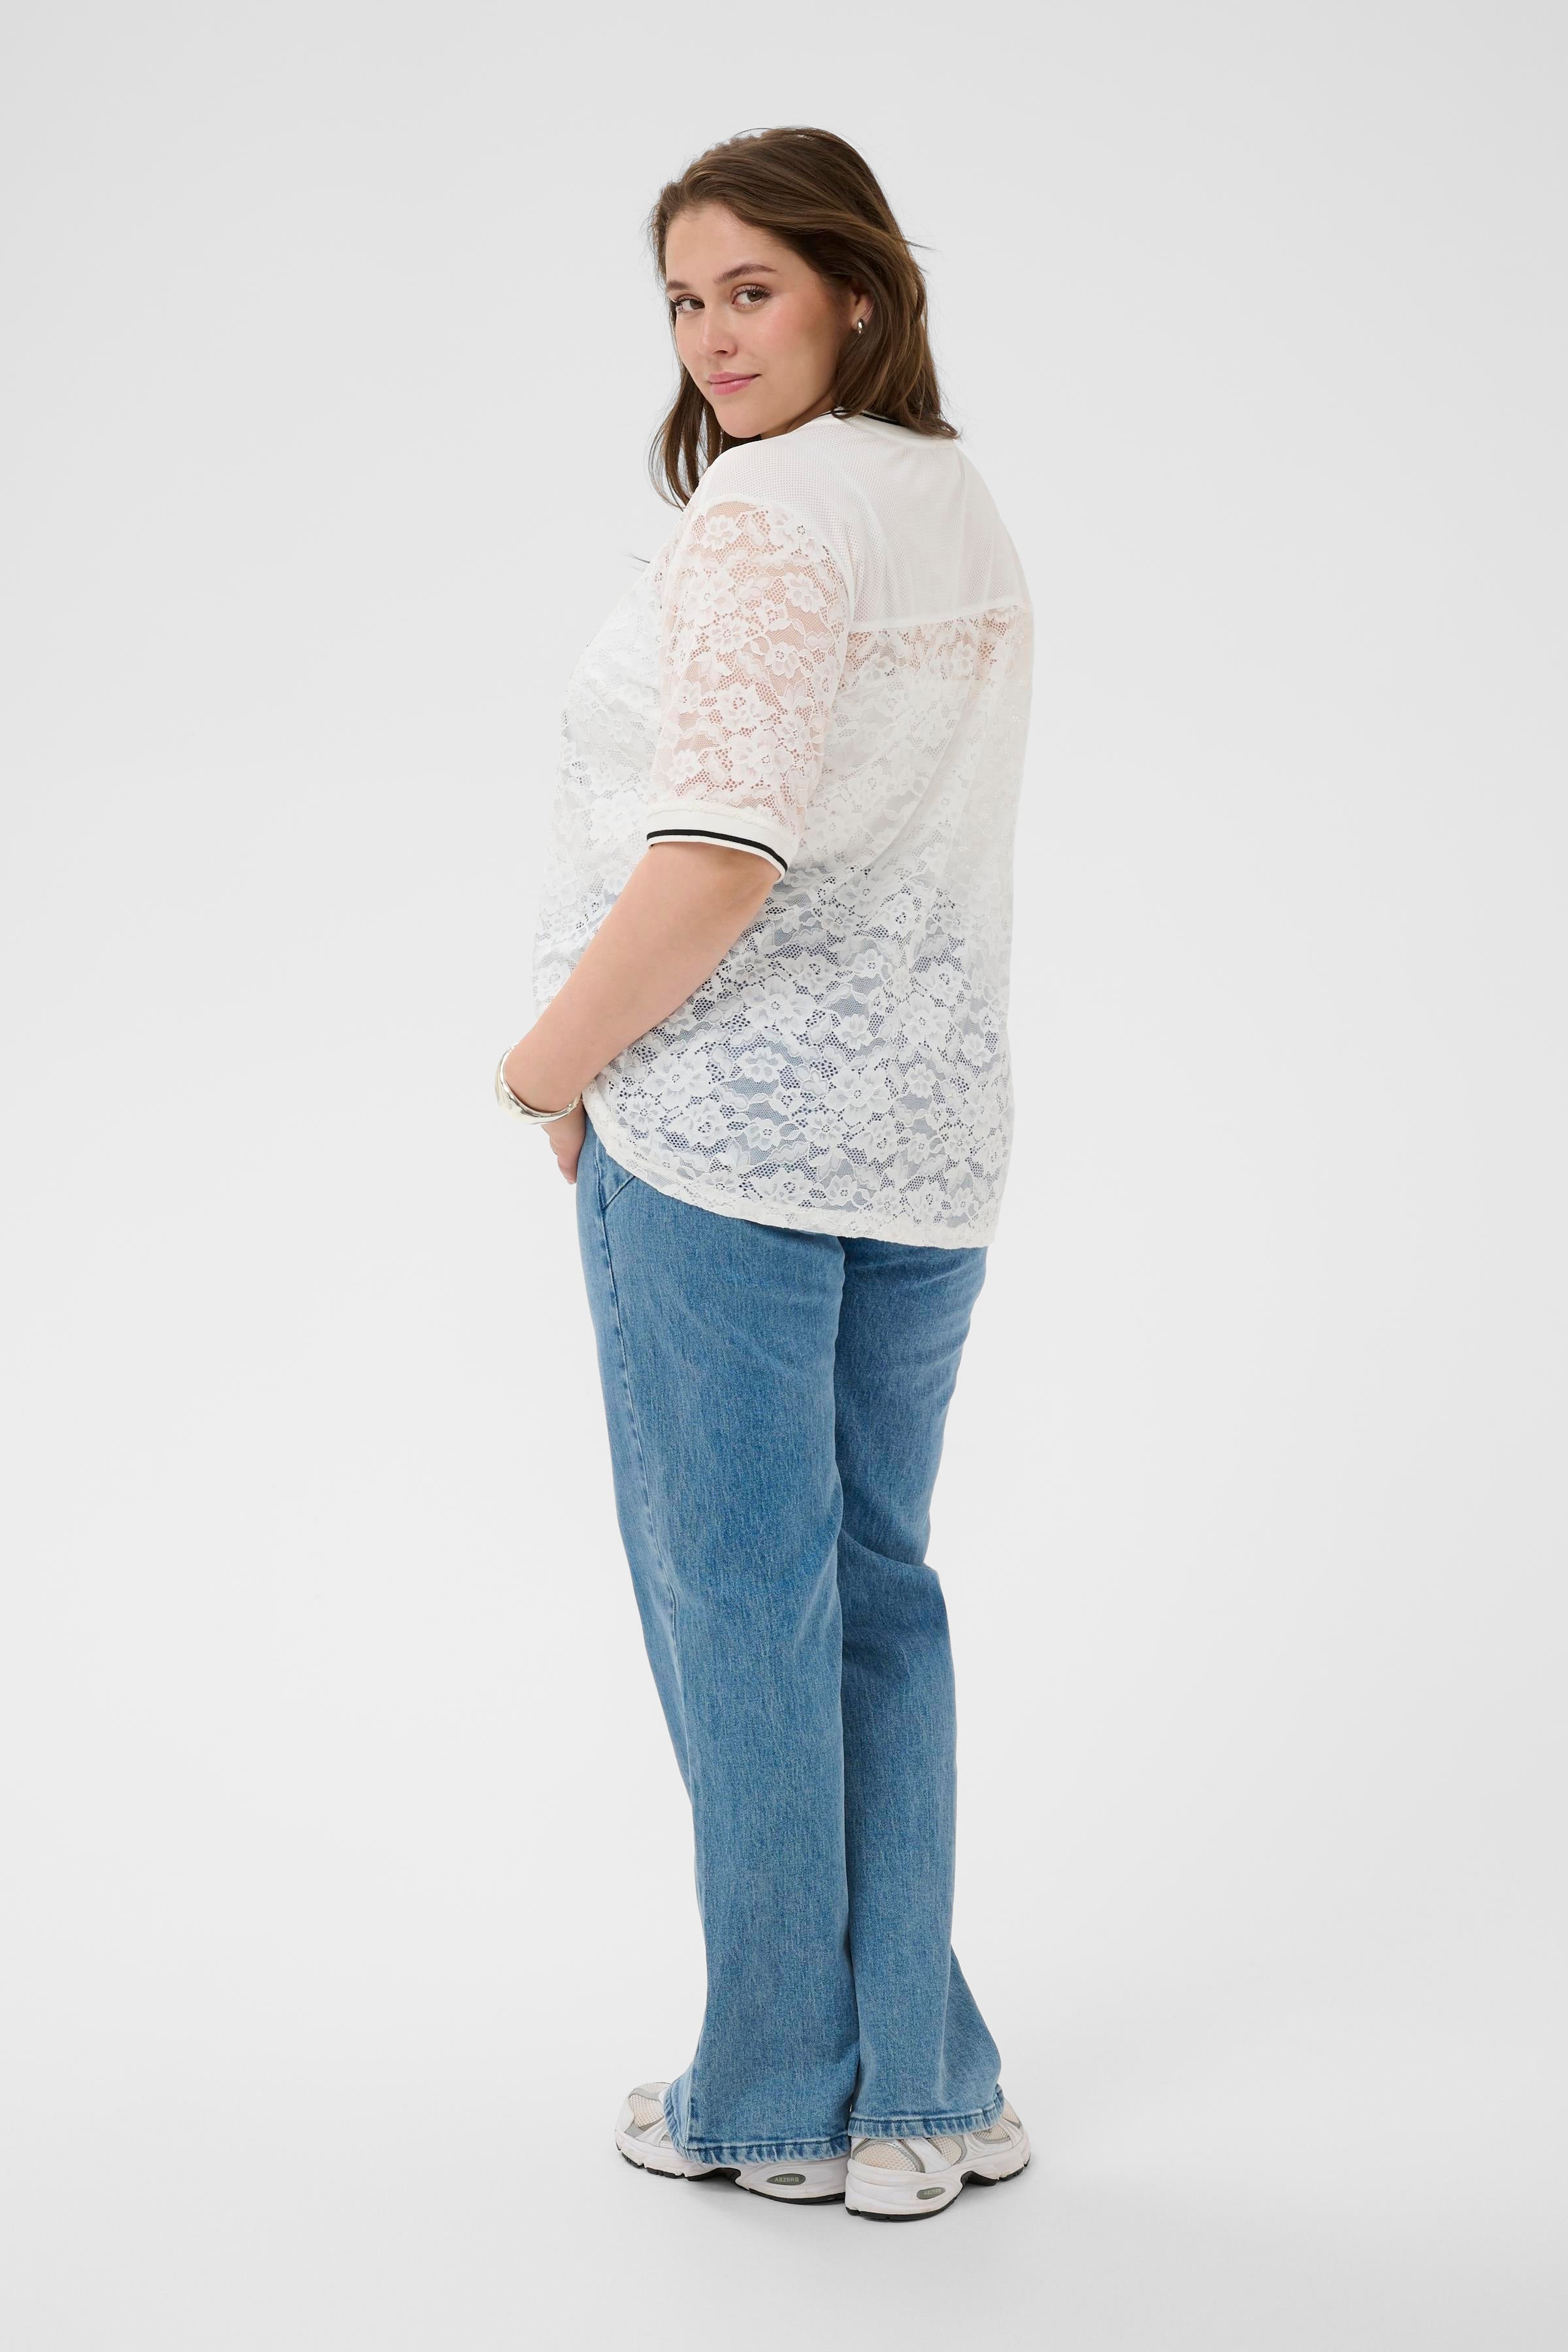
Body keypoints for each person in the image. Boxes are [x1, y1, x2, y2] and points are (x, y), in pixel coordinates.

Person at [496, 125, 1034, 2222]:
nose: (714, 337)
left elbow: (718, 854)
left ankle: (782, 2095)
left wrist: (547, 1064)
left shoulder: (769, 517)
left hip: (722, 1142)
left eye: (753, 289)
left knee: (745, 1614)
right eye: (684, 302)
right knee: (876, 1597)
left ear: (856, 294)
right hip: (926, 1141)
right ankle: (927, 2090)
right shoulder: (944, 495)